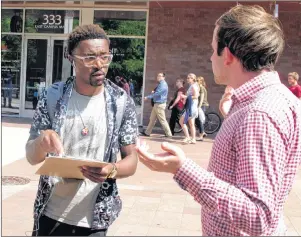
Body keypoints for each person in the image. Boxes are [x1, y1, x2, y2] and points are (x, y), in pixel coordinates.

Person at [136, 5, 301, 236]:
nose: (210, 56)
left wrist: (183, 168)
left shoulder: (257, 113)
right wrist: (231, 118)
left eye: (213, 50)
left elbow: (259, 217)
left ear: (229, 55)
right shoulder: (274, 100)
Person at [25, 24, 138, 236]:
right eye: (89, 58)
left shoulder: (121, 102)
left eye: (105, 57)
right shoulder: (52, 97)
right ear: (71, 58)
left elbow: (131, 160)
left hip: (94, 220)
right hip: (51, 216)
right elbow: (32, 157)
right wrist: (42, 142)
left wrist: (111, 170)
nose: (99, 65)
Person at [140, 72, 172, 137]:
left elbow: (157, 93)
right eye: (158, 76)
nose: (158, 77)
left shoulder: (163, 84)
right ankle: (147, 132)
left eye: (160, 76)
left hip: (159, 104)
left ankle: (169, 134)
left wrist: (148, 97)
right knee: (152, 119)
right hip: (157, 104)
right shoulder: (161, 84)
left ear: (164, 77)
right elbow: (157, 92)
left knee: (162, 120)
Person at [179, 73, 199, 144]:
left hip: (191, 108)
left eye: (188, 78)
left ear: (192, 79)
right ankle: (193, 139)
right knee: (191, 124)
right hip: (192, 107)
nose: (187, 79)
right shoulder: (193, 86)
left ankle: (187, 137)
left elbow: (196, 96)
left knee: (181, 121)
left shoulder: (193, 86)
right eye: (187, 78)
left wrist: (186, 97)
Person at [195, 76, 209, 141]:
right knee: (197, 119)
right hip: (201, 105)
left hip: (202, 105)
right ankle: (202, 132)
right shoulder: (200, 87)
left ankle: (201, 135)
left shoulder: (201, 88)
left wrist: (199, 106)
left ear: (201, 81)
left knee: (200, 120)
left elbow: (202, 98)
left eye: (197, 81)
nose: (196, 82)